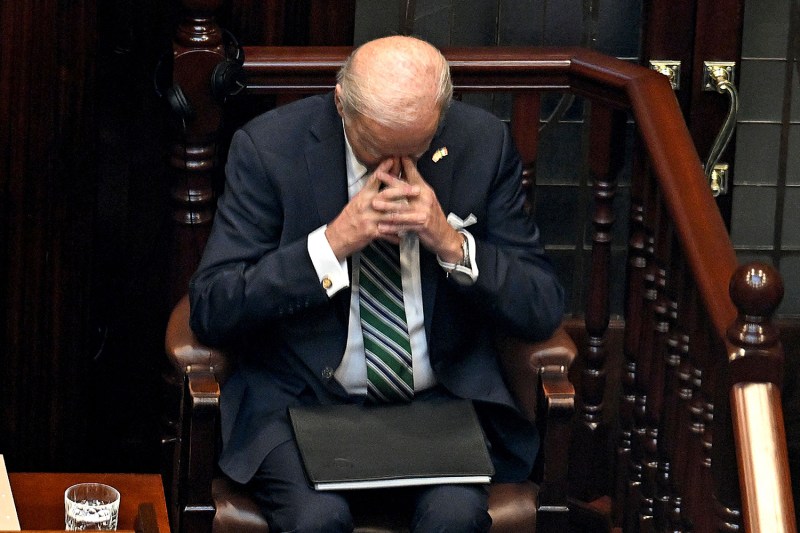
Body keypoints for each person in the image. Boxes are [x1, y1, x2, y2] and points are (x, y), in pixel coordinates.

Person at [189, 35, 564, 532]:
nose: (393, 169)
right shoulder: (269, 148)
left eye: (416, 148)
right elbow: (213, 306)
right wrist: (331, 245)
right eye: (375, 150)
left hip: (437, 405)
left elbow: (541, 305)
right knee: (318, 520)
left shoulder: (481, 144)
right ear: (341, 102)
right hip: (301, 402)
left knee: (455, 517)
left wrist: (450, 243)